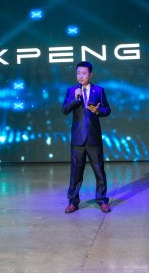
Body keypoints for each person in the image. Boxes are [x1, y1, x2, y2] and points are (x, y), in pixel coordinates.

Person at [61, 61, 112, 214]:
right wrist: (75, 99)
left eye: (83, 73)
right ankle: (73, 202)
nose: (80, 76)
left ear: (90, 75)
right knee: (76, 172)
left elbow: (107, 109)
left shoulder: (99, 90)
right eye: (78, 73)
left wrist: (98, 111)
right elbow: (65, 110)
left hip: (93, 137)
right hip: (78, 138)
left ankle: (102, 200)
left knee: (99, 171)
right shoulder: (72, 91)